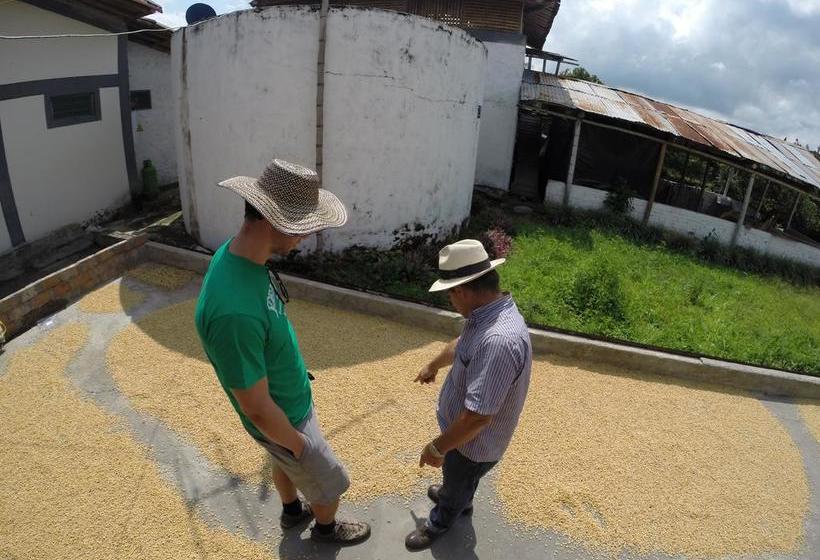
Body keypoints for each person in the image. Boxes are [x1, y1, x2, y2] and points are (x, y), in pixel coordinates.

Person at [195, 159, 370, 545]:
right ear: (272, 221)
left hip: (287, 405)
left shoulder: (236, 256)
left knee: (284, 463)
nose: (306, 235)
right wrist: (299, 445)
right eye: (302, 226)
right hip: (285, 420)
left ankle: (292, 511)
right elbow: (258, 408)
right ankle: (325, 529)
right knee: (327, 483)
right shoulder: (233, 313)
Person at [405, 239, 532, 550]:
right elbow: (462, 345)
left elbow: (477, 419)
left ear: (461, 291)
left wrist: (436, 447)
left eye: (449, 294)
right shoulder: (487, 314)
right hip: (462, 439)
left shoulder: (498, 341)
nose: (450, 300)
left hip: (471, 445)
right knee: (458, 477)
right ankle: (457, 494)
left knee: (459, 476)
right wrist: (433, 364)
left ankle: (443, 518)